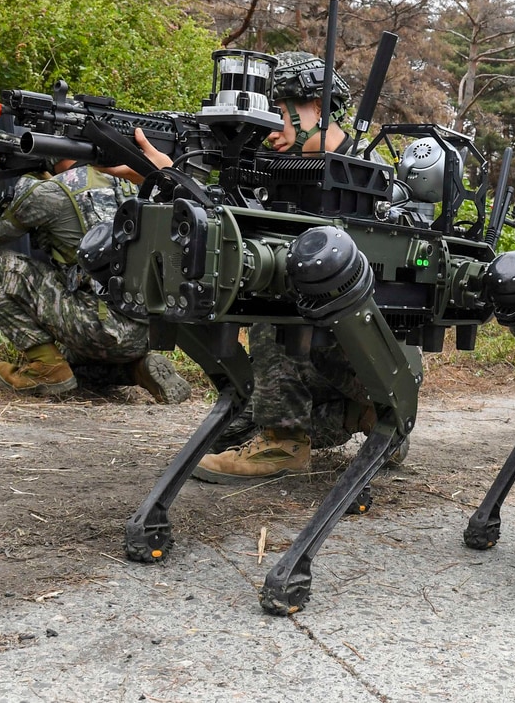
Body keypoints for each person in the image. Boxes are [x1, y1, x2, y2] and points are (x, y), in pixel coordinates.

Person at [98, 51, 388, 482]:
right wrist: (160, 177)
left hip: (370, 354)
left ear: (316, 108)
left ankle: (287, 440)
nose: (270, 132)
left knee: (284, 290)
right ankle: (356, 419)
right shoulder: (274, 172)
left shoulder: (372, 175)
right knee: (234, 428)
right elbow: (224, 224)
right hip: (322, 360)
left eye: (278, 117)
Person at [0, 141, 193, 403]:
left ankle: (45, 366)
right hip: (146, 331)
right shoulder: (132, 183)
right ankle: (135, 369)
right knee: (74, 364)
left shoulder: (50, 192)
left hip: (98, 329)